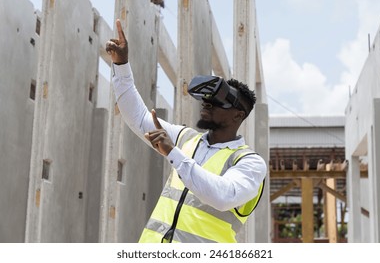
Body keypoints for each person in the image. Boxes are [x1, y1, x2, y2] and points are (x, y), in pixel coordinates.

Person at [106, 19, 267, 243]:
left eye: (218, 101)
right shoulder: (186, 138)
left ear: (238, 115)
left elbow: (223, 196)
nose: (207, 104)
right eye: (206, 99)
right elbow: (138, 118)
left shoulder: (249, 163)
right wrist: (121, 66)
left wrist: (173, 153)